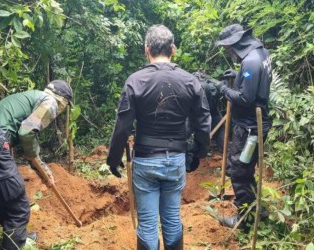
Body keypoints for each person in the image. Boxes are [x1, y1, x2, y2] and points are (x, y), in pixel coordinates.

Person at [106, 24, 211, 250]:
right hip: (175, 160)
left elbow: (122, 126)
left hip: (145, 160)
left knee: (147, 224)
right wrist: (198, 153)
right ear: (173, 49)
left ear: (146, 50)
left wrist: (113, 159)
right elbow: (203, 121)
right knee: (172, 219)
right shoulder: (190, 81)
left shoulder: (135, 81)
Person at [0, 80, 73, 249]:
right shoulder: (50, 102)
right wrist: (39, 163)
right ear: (63, 101)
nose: (59, 111)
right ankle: (14, 244)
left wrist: (42, 170)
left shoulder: (29, 97)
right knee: (18, 208)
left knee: (4, 200)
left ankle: (16, 238)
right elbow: (27, 132)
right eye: (64, 107)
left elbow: (25, 137)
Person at [215, 24, 272, 229]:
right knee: (246, 168)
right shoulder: (261, 52)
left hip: (249, 129)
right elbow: (252, 81)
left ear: (235, 44)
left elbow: (245, 98)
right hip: (257, 124)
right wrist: (238, 75)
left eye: (228, 48)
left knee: (239, 170)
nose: (228, 52)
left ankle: (245, 219)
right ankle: (257, 210)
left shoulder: (250, 62)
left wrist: (222, 89)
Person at [186, 70, 225, 173]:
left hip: (210, 115)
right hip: (207, 115)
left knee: (222, 141)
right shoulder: (200, 88)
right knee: (222, 141)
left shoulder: (195, 88)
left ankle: (229, 165)